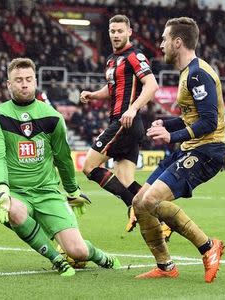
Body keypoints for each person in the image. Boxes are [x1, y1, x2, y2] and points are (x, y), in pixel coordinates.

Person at [0, 58, 120, 276]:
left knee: (78, 251)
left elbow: (63, 158)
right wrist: (2, 190)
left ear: (35, 81)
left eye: (29, 79)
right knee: (13, 209)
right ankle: (56, 259)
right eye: (18, 80)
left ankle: (100, 257)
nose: (24, 84)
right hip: (17, 193)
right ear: (9, 84)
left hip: (48, 193)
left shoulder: (52, 117)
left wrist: (72, 189)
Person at [132, 17, 225, 282]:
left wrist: (170, 135)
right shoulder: (188, 73)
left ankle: (209, 247)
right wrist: (167, 123)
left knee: (152, 200)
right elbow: (193, 117)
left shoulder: (198, 73)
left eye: (164, 39)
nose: (160, 44)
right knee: (140, 203)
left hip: (207, 151)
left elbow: (209, 121)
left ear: (178, 42)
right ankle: (166, 267)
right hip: (190, 148)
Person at [79, 15, 161, 233]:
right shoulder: (111, 60)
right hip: (125, 124)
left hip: (125, 123)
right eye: (112, 31)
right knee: (125, 181)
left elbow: (152, 85)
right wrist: (93, 95)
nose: (116, 35)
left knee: (89, 167)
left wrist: (132, 109)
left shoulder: (134, 56)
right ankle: (163, 220)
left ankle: (131, 207)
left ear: (129, 32)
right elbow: (112, 89)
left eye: (119, 31)